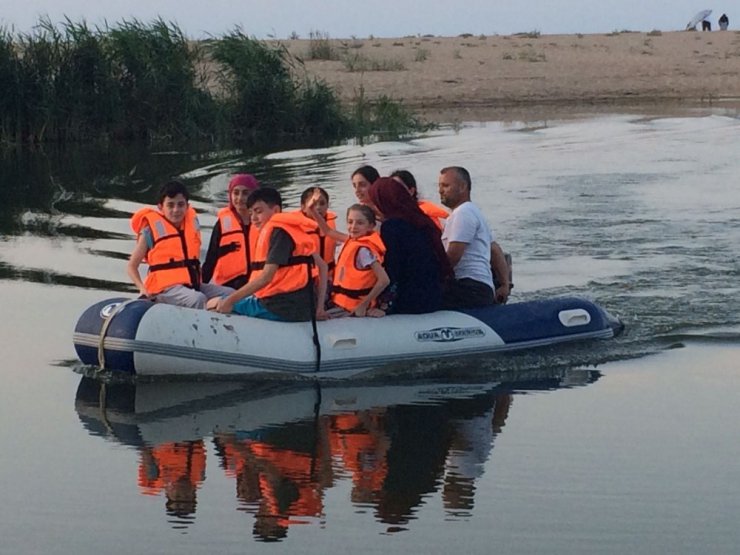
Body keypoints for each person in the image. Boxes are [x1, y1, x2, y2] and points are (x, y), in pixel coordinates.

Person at [208, 187, 328, 322]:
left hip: (280, 307)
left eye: (258, 211)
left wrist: (229, 301)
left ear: (276, 210)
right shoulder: (293, 229)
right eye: (251, 212)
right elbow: (323, 267)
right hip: (303, 306)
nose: (253, 218)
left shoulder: (278, 233)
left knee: (213, 304)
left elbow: (266, 277)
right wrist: (319, 308)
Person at [127, 180, 233, 309]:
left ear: (187, 206)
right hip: (163, 289)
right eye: (170, 205)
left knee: (231, 294)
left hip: (191, 284)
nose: (176, 210)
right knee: (198, 299)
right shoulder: (150, 231)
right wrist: (142, 289)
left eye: (180, 205)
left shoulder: (191, 224)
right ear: (161, 207)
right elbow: (132, 266)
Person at [367, 177, 452, 314]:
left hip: (413, 299)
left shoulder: (392, 227)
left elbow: (393, 268)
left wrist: (382, 304)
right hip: (434, 294)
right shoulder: (420, 219)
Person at [437, 166, 511, 308]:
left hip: (469, 287)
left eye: (446, 185)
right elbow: (495, 250)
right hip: (482, 286)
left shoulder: (463, 214)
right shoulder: (474, 212)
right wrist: (504, 284)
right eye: (439, 186)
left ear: (462, 187)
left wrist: (431, 278)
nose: (440, 190)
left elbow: (453, 257)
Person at [329, 204, 390, 317]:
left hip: (352, 308)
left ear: (371, 226)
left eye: (360, 223)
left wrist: (363, 305)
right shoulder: (353, 241)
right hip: (340, 302)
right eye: (350, 222)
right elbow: (328, 231)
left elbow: (384, 280)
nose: (353, 227)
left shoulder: (364, 251)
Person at [202, 173, 260, 289]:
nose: (240, 198)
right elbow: (211, 259)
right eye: (236, 193)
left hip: (257, 280)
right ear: (230, 195)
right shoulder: (222, 224)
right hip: (229, 283)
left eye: (245, 193)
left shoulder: (262, 221)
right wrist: (201, 285)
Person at [298, 186, 338, 278]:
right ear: (303, 207)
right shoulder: (297, 229)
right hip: (307, 279)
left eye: (322, 203)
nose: (318, 207)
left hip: (330, 276)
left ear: (328, 206)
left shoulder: (330, 226)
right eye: (313, 204)